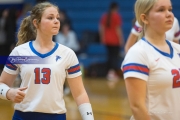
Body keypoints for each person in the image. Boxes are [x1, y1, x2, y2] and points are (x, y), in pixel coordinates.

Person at [0, 2, 94, 120]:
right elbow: (2, 84)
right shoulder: (20, 52)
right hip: (23, 116)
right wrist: (9, 93)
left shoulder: (67, 54)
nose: (56, 21)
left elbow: (80, 94)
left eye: (57, 18)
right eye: (50, 18)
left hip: (56, 117)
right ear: (36, 23)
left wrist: (89, 118)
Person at [121, 0, 180, 119]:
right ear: (144, 18)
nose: (169, 14)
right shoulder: (138, 53)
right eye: (161, 10)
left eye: (170, 9)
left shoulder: (177, 49)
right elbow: (137, 107)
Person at [99, 2, 124, 81]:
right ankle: (112, 73)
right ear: (116, 8)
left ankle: (110, 73)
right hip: (115, 40)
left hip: (107, 40)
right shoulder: (116, 16)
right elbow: (118, 29)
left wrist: (102, 38)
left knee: (110, 56)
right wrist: (121, 39)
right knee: (114, 57)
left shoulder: (105, 16)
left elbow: (101, 28)